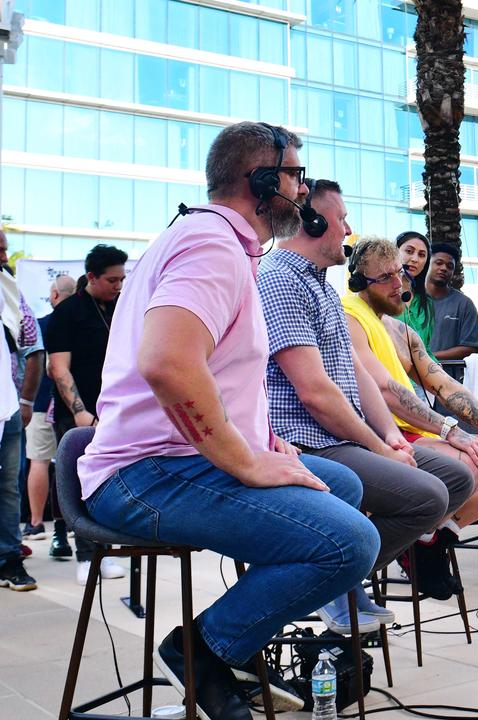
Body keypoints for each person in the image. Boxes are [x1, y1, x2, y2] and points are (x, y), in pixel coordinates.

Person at [78, 122, 378, 719]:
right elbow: (167, 364)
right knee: (350, 541)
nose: (305, 189)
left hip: (171, 462)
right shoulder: (212, 245)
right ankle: (206, 648)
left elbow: (225, 374)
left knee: (343, 484)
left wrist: (268, 446)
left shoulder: (218, 243)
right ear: (263, 183)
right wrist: (246, 463)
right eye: (297, 176)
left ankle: (234, 642)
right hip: (149, 473)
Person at [258, 179, 474, 629]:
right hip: (309, 441)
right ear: (312, 222)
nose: (348, 229)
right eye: (341, 220)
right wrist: (380, 449)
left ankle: (334, 572)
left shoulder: (321, 286)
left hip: (343, 436)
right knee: (427, 496)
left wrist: (392, 438)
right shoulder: (279, 279)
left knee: (455, 477)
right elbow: (314, 393)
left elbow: (359, 376)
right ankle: (330, 575)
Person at [342, 237, 478, 538]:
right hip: (380, 436)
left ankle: (436, 534)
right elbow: (385, 390)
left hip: (417, 434)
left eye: (400, 274)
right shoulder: (348, 317)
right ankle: (415, 538)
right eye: (386, 278)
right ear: (359, 282)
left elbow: (444, 385)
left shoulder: (403, 331)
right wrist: (450, 429)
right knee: (470, 466)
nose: (399, 284)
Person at [45, 243, 130, 584]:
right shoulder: (67, 314)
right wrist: (80, 412)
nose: (119, 286)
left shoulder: (123, 308)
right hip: (79, 415)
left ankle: (108, 547)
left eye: (122, 279)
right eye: (112, 280)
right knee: (81, 482)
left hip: (117, 412)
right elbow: (59, 369)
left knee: (116, 480)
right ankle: (86, 555)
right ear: (91, 276)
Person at [0, 229, 44, 592]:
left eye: (5, 249)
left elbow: (33, 346)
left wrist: (26, 401)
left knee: (8, 487)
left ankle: (8, 559)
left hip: (8, 406)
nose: (4, 255)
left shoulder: (8, 289)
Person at [22, 275, 75, 544]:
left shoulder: (42, 325)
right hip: (77, 409)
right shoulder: (82, 323)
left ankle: (35, 523)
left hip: (42, 404)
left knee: (40, 462)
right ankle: (74, 525)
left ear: (54, 295)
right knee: (71, 467)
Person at [421, 243, 478, 360]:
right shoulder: (410, 299)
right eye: (438, 263)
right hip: (409, 376)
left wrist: (428, 358)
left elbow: (470, 347)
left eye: (450, 266)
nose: (444, 268)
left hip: (449, 376)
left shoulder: (464, 304)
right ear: (427, 263)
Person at [394, 231, 438, 362]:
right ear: (394, 252)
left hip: (422, 376)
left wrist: (437, 369)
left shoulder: (427, 302)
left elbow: (426, 349)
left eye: (421, 255)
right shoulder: (380, 295)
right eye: (409, 251)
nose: (415, 259)